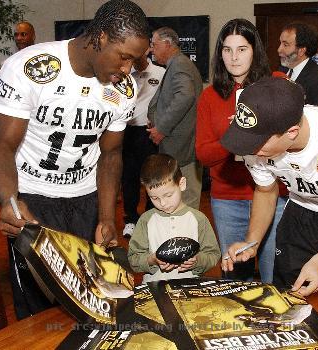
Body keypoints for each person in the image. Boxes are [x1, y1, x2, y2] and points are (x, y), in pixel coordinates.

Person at [0, 0, 150, 319]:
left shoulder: (123, 89)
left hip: (85, 199)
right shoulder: (30, 67)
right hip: (35, 198)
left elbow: (110, 154)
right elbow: (3, 145)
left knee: (90, 298)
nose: (127, 70)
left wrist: (107, 217)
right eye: (125, 58)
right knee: (38, 306)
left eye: (134, 62)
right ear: (103, 37)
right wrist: (11, 202)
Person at [221, 76, 318, 299]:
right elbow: (266, 190)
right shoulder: (256, 143)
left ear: (292, 132)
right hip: (301, 214)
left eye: (258, 143)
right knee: (287, 298)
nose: (251, 150)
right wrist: (251, 242)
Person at [196, 18, 287, 282]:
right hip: (227, 199)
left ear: (254, 50)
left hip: (274, 196)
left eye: (242, 49)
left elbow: (292, 138)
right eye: (227, 49)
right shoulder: (210, 96)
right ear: (219, 53)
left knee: (274, 277)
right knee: (234, 280)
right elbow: (203, 154)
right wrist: (234, 136)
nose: (234, 57)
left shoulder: (275, 85)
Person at [128, 153, 221, 283]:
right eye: (154, 198)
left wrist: (197, 261)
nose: (163, 203)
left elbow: (213, 254)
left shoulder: (198, 219)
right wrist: (151, 260)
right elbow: (133, 258)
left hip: (190, 288)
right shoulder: (146, 220)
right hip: (155, 288)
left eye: (168, 195)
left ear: (182, 184)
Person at [147, 27, 203, 210]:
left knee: (186, 201)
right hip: (179, 148)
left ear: (167, 44)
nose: (151, 50)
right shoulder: (177, 64)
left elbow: (185, 96)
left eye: (154, 45)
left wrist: (161, 127)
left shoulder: (179, 64)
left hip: (182, 149)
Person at [122, 49, 165, 238]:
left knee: (150, 177)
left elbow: (167, 102)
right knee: (128, 178)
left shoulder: (160, 73)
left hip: (147, 133)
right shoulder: (124, 75)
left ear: (147, 50)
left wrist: (160, 123)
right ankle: (131, 219)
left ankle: (150, 218)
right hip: (126, 131)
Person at [277, 22, 318, 105]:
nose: (279, 49)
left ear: (301, 50)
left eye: (285, 45)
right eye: (280, 43)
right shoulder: (281, 71)